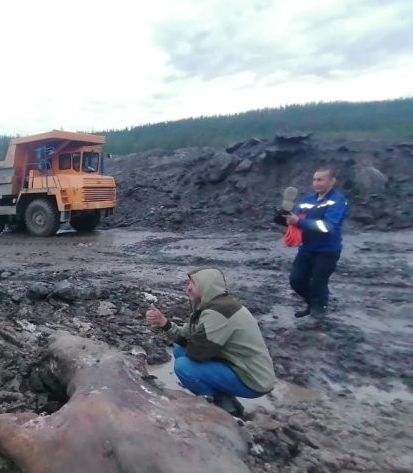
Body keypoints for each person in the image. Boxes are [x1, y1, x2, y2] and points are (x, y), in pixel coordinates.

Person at [145, 267, 276, 417]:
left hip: (253, 379)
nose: (187, 287)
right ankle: (227, 400)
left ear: (206, 286)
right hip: (236, 365)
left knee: (183, 367)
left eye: (192, 283)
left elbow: (198, 353)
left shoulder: (218, 312)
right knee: (179, 351)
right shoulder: (211, 305)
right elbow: (185, 336)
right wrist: (164, 322)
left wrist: (190, 343)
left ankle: (222, 408)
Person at [282, 168, 348, 321]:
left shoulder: (338, 201)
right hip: (306, 248)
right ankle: (312, 304)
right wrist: (284, 217)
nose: (316, 183)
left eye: (320, 180)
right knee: (296, 280)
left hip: (327, 251)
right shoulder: (308, 200)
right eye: (314, 180)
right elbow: (297, 217)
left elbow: (327, 226)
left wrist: (299, 221)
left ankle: (319, 312)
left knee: (319, 282)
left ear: (332, 181)